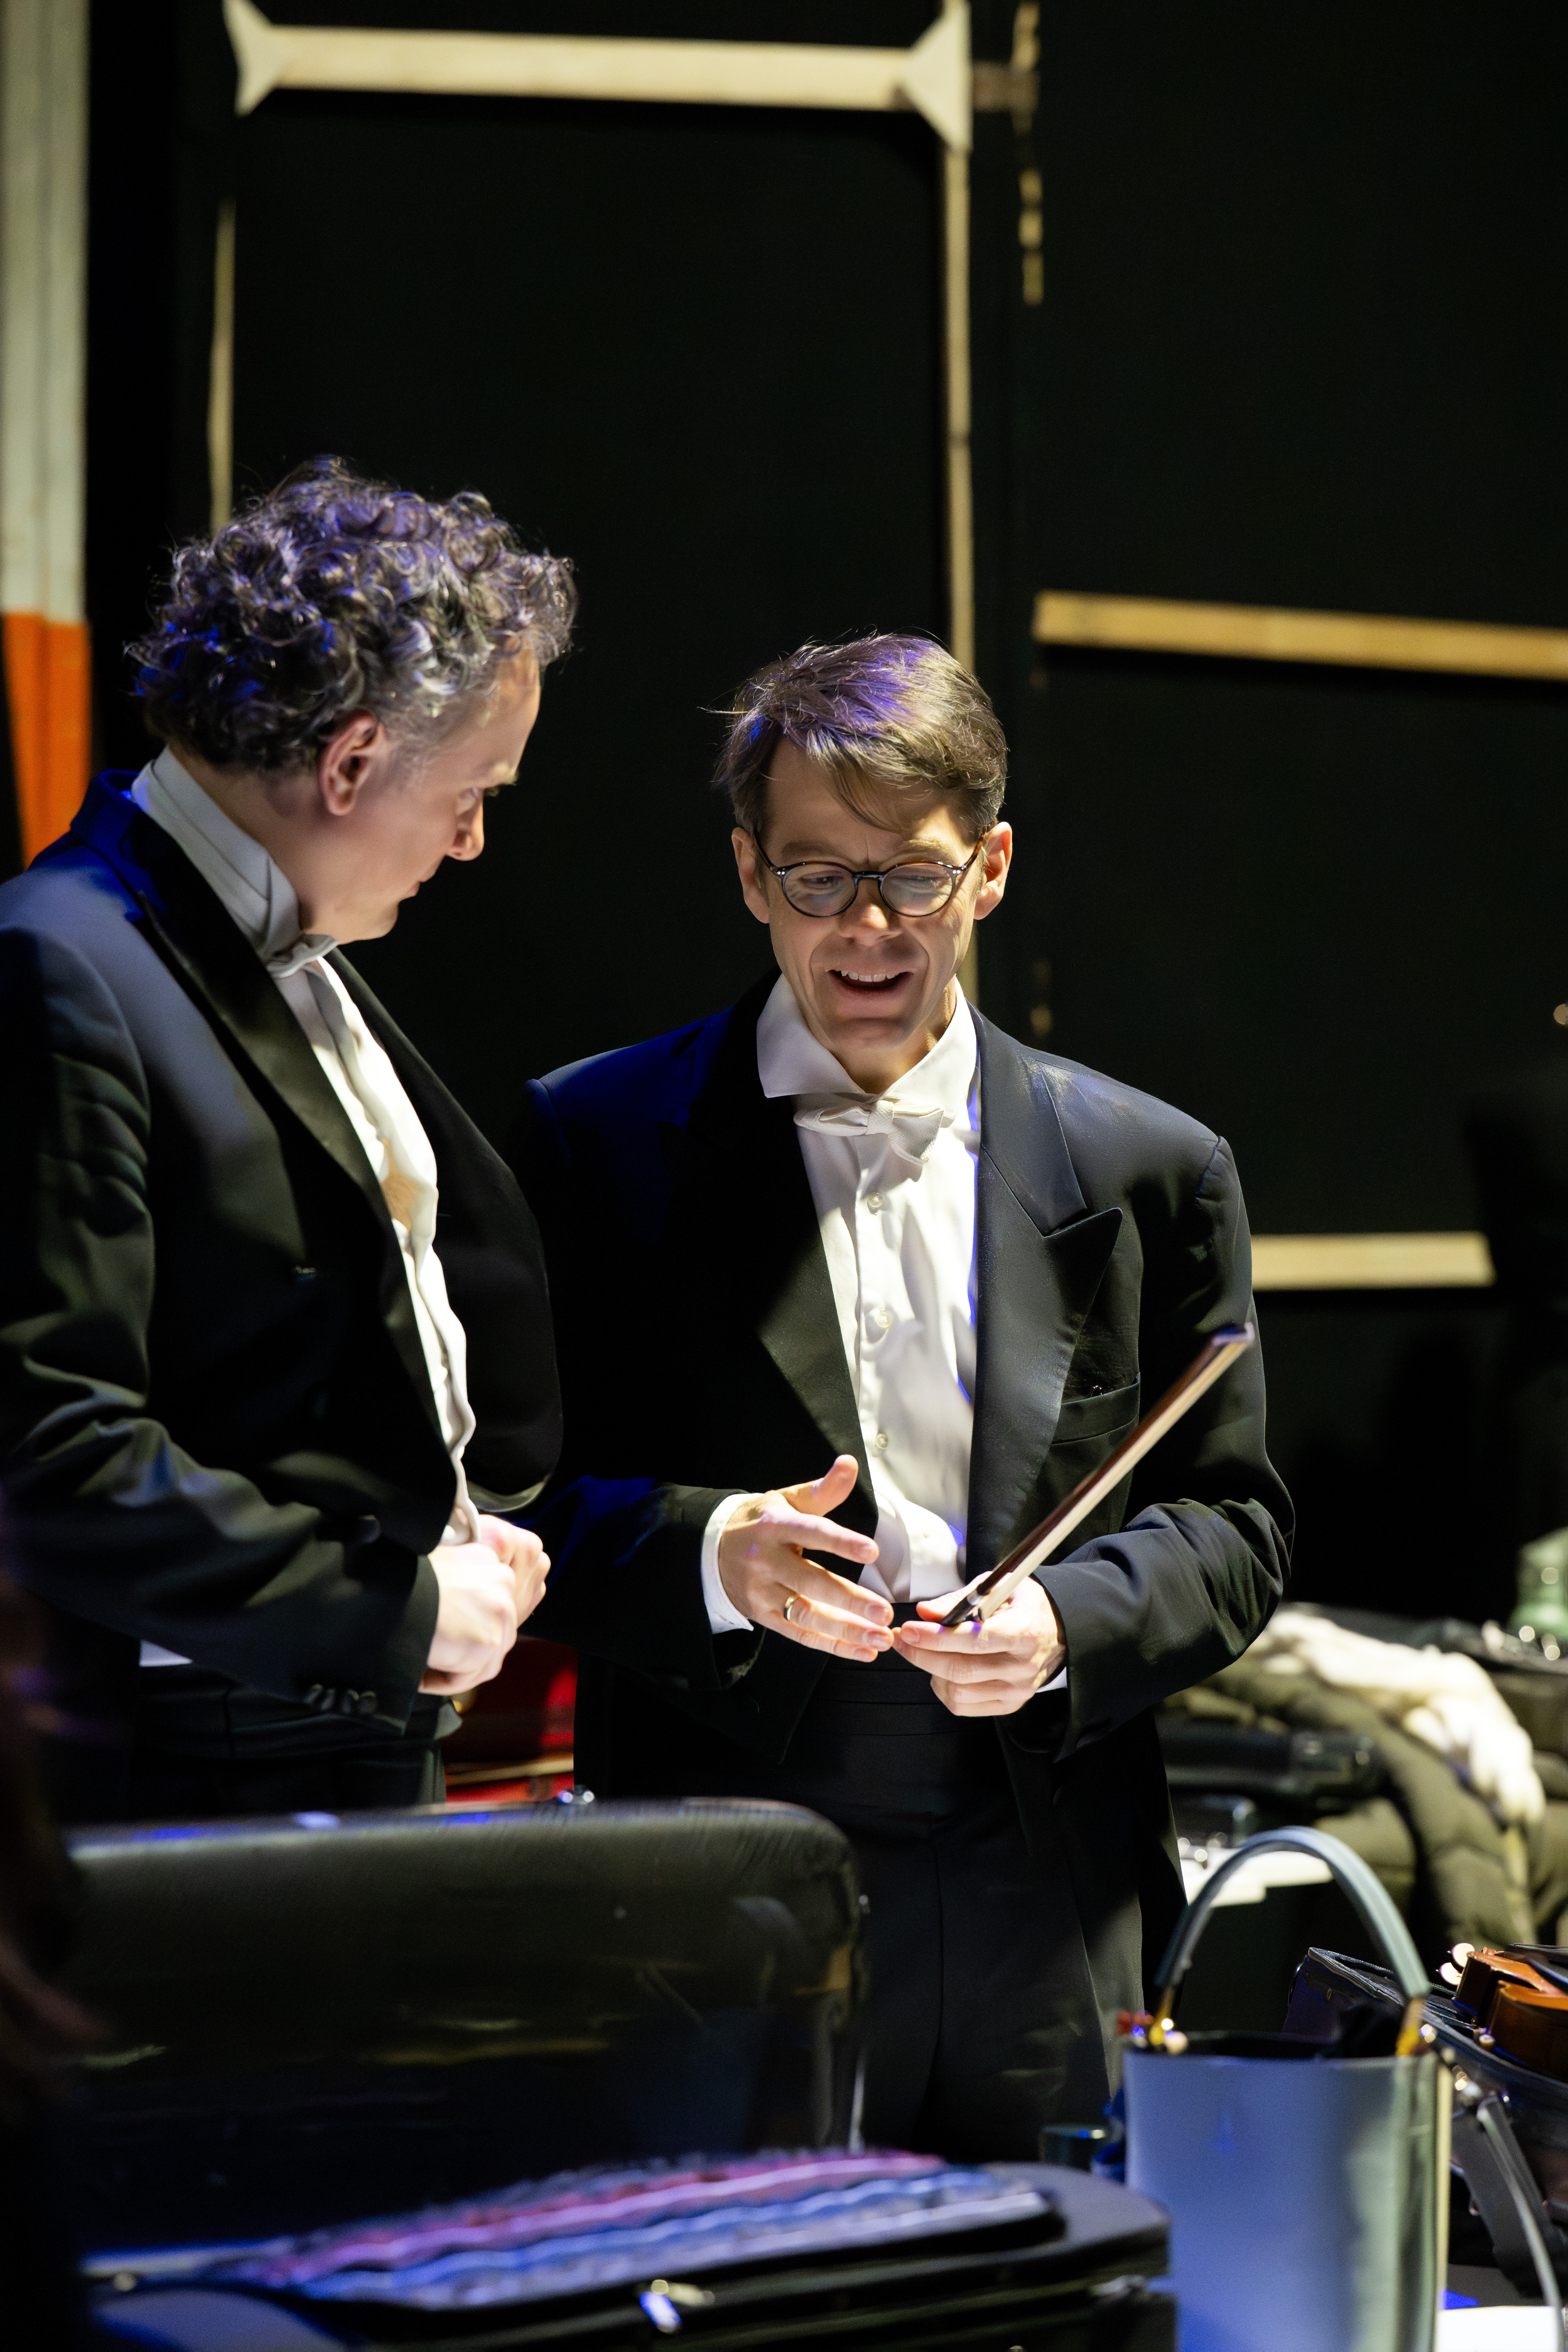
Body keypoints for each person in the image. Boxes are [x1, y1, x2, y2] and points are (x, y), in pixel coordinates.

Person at [517, 633, 1292, 2159]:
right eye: (817, 877)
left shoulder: (1155, 1168)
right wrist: (711, 1553)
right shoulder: (593, 1142)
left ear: (990, 869)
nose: (867, 927)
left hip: (1050, 1855)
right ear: (749, 874)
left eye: (913, 878)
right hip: (735, 1844)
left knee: (1059, 2284)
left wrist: (1071, 1620)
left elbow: (1236, 1525)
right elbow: (510, 1505)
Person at [0, 459, 571, 1823]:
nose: (476, 840)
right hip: (192, 1750)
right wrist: (384, 1610)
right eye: (473, 791)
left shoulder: (278, 937)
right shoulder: (59, 960)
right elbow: (49, 1447)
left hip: (325, 1718)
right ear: (354, 760)